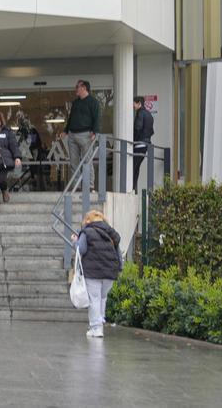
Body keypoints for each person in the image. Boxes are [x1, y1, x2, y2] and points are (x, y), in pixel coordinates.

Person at [73, 210, 122, 338]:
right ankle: (99, 324)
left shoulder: (87, 232)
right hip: (110, 272)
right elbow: (118, 252)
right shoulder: (111, 233)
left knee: (94, 299)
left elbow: (82, 249)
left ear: (88, 220)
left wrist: (75, 241)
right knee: (102, 298)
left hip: (93, 271)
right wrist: (119, 268)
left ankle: (96, 328)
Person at [61, 80, 102, 191]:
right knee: (73, 162)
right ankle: (77, 186)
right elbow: (71, 118)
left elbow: (97, 118)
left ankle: (90, 185)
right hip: (72, 134)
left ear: (83, 88)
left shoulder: (93, 102)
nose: (75, 89)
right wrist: (65, 131)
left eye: (77, 87)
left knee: (87, 160)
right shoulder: (75, 103)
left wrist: (95, 132)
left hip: (86, 134)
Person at [132, 97, 154, 185]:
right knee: (136, 167)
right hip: (146, 144)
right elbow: (151, 130)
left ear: (139, 103)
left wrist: (133, 141)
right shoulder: (149, 114)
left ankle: (131, 188)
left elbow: (138, 128)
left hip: (139, 144)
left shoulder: (140, 113)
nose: (133, 106)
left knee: (132, 168)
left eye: (134, 103)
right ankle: (134, 188)